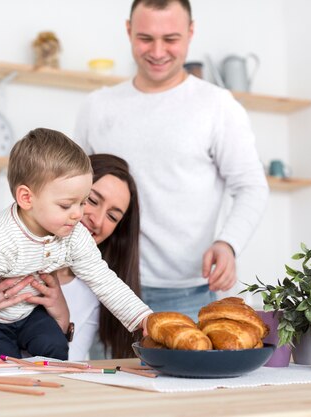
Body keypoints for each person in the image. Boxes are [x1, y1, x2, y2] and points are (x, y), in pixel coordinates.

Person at [74, 0, 269, 320]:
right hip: (102, 286)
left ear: (191, 33)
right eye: (146, 38)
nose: (158, 51)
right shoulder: (97, 106)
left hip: (192, 293)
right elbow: (71, 189)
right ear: (128, 31)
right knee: (104, 373)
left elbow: (251, 186)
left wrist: (228, 244)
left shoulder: (218, 106)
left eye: (171, 39)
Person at [0, 153, 142, 365]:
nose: (93, 218)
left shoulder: (91, 283)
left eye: (112, 216)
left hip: (36, 399)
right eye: (91, 200)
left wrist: (62, 318)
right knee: (1, 358)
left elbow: (67, 370)